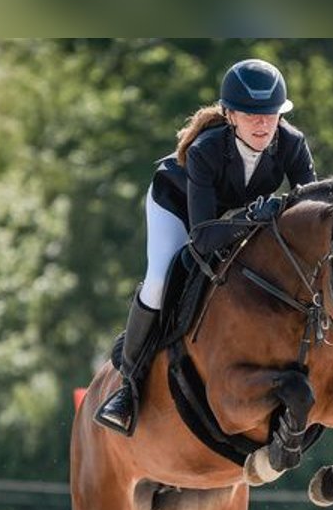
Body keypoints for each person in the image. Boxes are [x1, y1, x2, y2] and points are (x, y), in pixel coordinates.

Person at [94, 58, 317, 435]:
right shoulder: (205, 150)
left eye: (271, 114)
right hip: (179, 208)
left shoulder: (292, 144)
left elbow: (311, 208)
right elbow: (202, 238)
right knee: (160, 280)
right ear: (230, 115)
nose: (263, 123)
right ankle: (128, 387)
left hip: (235, 217)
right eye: (251, 115)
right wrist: (254, 216)